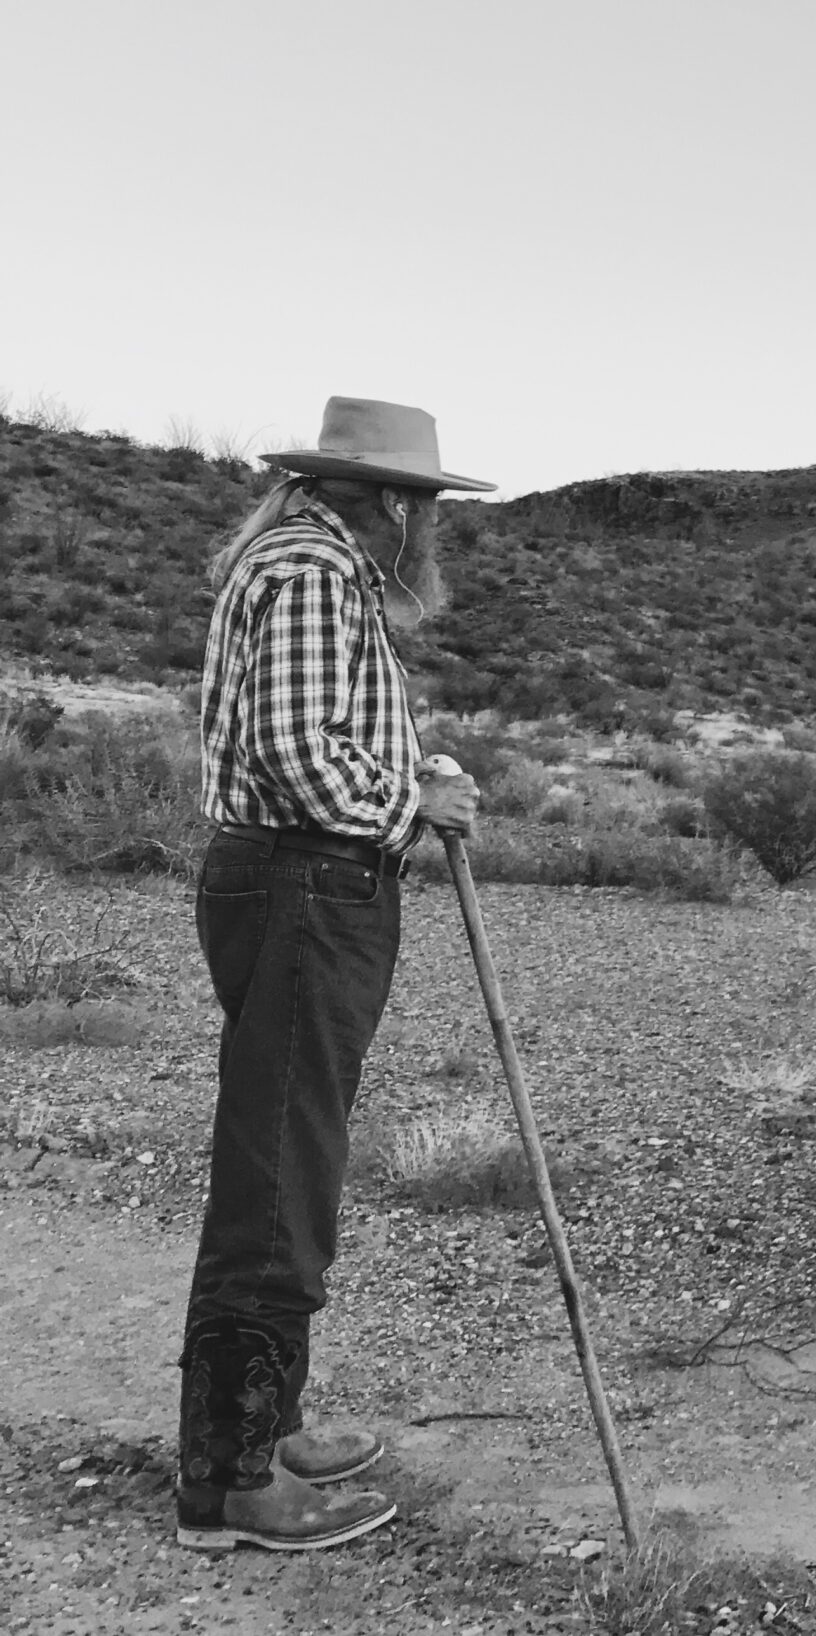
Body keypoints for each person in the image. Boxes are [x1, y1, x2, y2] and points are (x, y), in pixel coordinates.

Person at [178, 397, 486, 1551]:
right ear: (396, 503)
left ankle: (266, 1424)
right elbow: (298, 754)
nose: (430, 525)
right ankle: (233, 1481)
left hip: (296, 884)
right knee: (277, 1176)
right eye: (428, 504)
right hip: (308, 884)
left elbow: (307, 733)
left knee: (284, 1150)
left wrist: (411, 757)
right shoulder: (316, 571)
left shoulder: (305, 563)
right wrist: (417, 798)